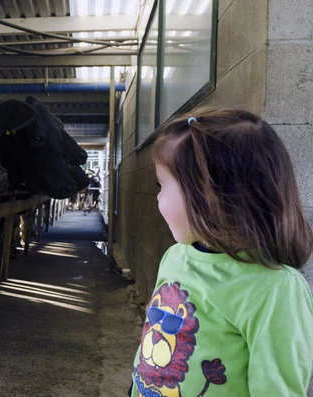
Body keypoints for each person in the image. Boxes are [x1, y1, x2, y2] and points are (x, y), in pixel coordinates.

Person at [129, 108, 313, 397]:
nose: (158, 197)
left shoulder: (275, 290)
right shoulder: (176, 256)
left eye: (162, 185)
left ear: (209, 194)